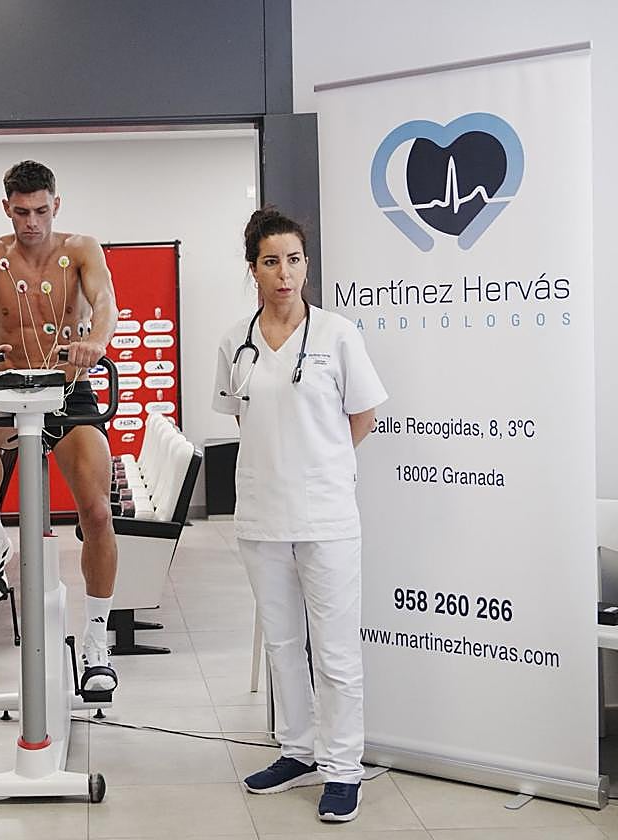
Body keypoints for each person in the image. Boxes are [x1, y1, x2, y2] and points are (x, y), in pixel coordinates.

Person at [212, 207, 387, 824]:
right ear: (253, 269)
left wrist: (323, 464)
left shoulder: (337, 335)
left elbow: (363, 415)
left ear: (306, 264)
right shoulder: (235, 342)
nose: (284, 273)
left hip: (326, 516)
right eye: (271, 262)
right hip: (261, 515)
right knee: (284, 644)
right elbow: (246, 419)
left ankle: (342, 768)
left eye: (293, 259)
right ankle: (297, 750)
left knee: (335, 651)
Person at [0, 160, 120, 693]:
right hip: (10, 387)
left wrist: (96, 342)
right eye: (21, 212)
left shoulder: (83, 249)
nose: (32, 222)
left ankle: (97, 640)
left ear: (56, 205)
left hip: (68, 389)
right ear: (7, 208)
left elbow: (106, 303)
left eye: (41, 211)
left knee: (97, 513)